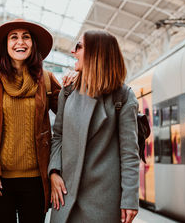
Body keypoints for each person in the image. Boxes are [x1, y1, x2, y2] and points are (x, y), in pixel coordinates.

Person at [48, 30, 140, 223]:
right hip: (66, 195)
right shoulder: (68, 91)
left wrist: (130, 199)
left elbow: (129, 152)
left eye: (79, 47)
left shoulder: (123, 96)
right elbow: (58, 136)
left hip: (103, 200)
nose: (73, 51)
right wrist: (54, 172)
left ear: (96, 53)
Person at [0, 19, 61, 223]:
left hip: (37, 181)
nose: (20, 42)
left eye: (26, 37)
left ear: (33, 44)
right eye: (14, 37)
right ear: (5, 45)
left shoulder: (47, 80)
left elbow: (71, 118)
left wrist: (78, 81)